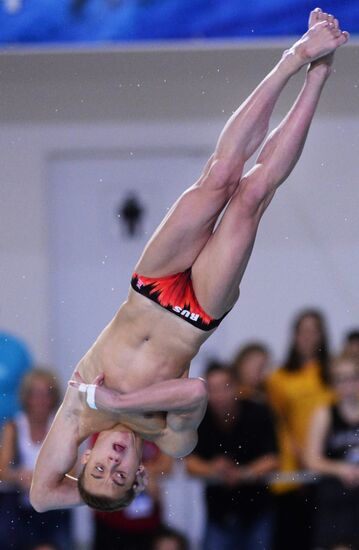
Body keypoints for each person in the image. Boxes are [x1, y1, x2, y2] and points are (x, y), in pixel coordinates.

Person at [30, 8, 349, 514]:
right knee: (251, 195)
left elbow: (43, 498)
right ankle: (320, 75)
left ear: (84, 457)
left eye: (98, 470)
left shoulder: (75, 418)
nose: (112, 463)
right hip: (197, 311)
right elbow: (195, 389)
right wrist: (115, 403)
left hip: (150, 285)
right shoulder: (172, 440)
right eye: (121, 476)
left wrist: (96, 492)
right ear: (138, 475)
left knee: (219, 176)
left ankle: (296, 56)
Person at [186, 362, 278, 550]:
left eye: (224, 387)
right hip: (219, 514)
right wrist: (213, 468)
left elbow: (273, 458)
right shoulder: (201, 418)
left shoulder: (258, 412)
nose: (219, 395)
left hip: (257, 510)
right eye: (213, 389)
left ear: (237, 387)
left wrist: (243, 472)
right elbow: (189, 463)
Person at [266, 308, 333, 550]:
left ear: (321, 335)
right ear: (294, 335)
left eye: (313, 331)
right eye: (303, 331)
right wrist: (297, 452)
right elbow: (278, 422)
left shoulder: (332, 374)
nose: (308, 336)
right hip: (293, 468)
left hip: (329, 466)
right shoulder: (279, 377)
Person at [0, 369, 72, 550]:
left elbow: (72, 473)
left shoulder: (61, 428)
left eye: (46, 393)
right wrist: (20, 476)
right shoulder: (14, 426)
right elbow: (2, 470)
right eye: (35, 394)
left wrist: (45, 480)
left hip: (53, 506)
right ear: (27, 397)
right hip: (19, 505)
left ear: (53, 398)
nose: (41, 400)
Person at [304, 354, 359, 550]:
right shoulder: (325, 414)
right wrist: (342, 469)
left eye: (352, 377)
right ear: (334, 383)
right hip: (336, 498)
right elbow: (311, 458)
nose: (348, 384)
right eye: (341, 379)